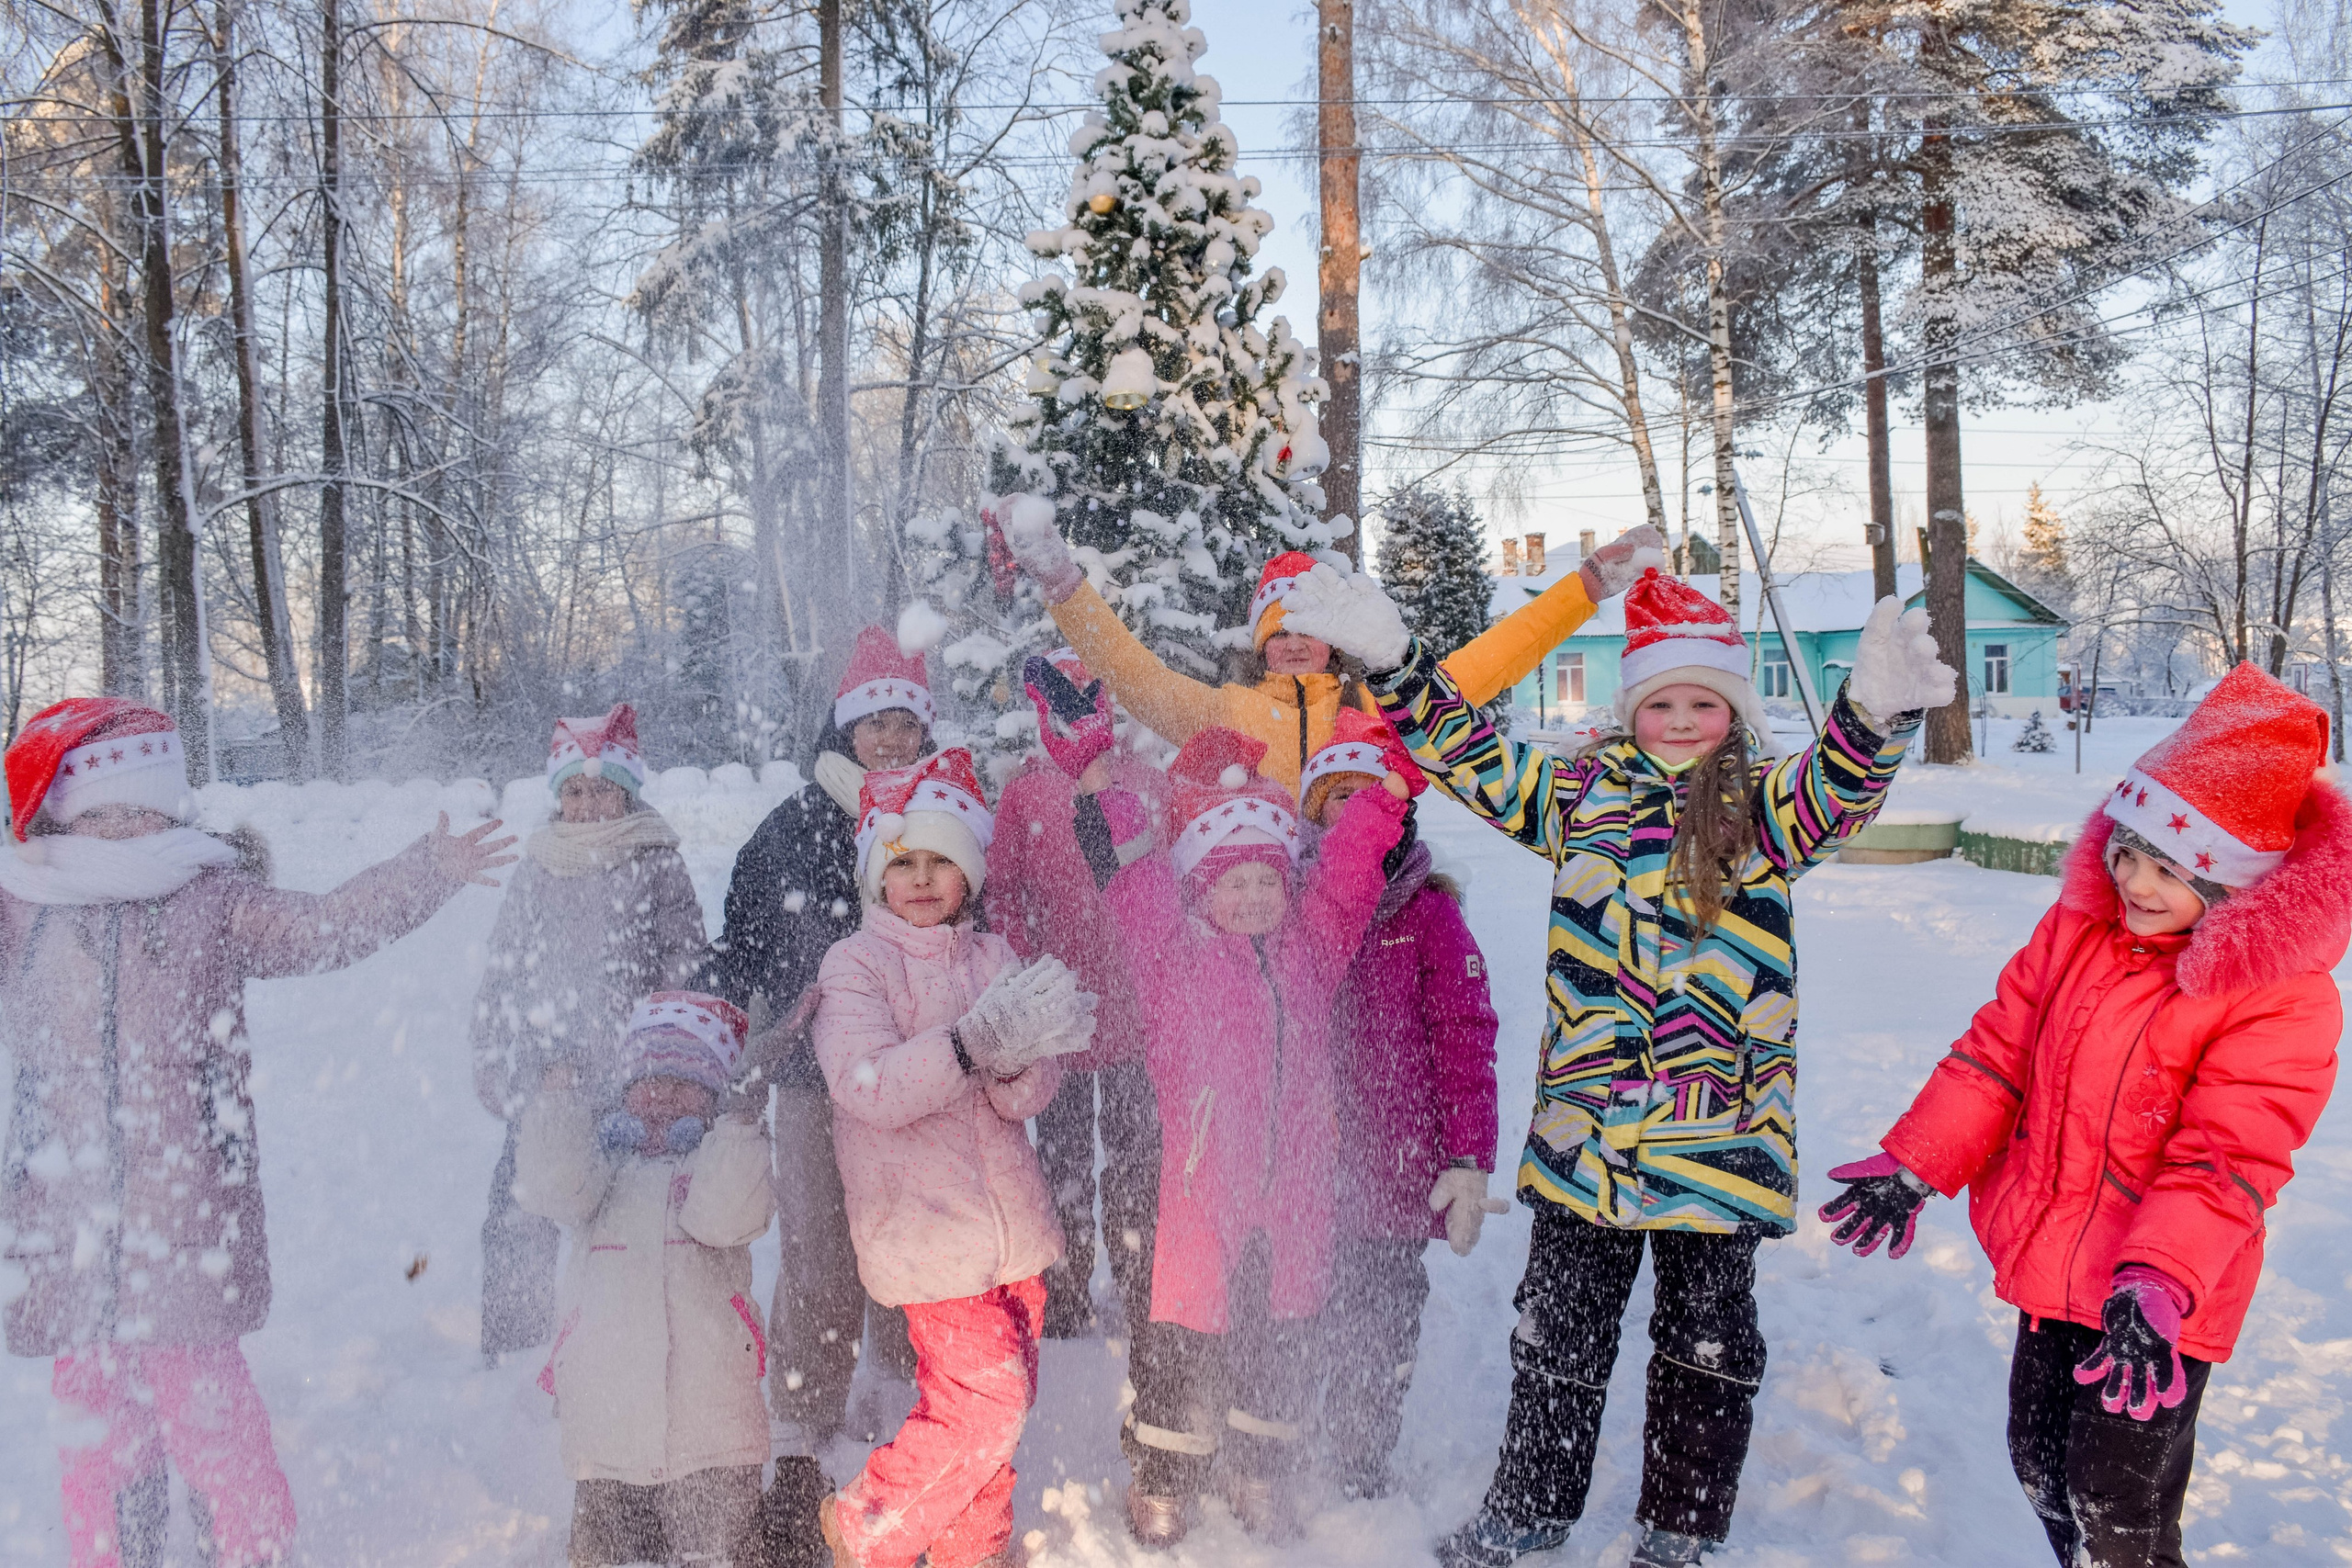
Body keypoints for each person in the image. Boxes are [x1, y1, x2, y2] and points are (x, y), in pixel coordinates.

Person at [1278, 564, 1956, 1568]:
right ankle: (1530, 1507)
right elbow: (1473, 757)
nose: (1681, 721)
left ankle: (1680, 1524)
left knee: (1706, 1349)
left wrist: (1871, 716)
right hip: (1585, 1140)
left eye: (1703, 703)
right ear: (1630, 708)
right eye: (1661, 703)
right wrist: (1397, 666)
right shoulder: (1579, 802)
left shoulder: (1767, 816)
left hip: (1717, 1144)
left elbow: (1837, 789)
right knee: (1556, 1335)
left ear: (1733, 708)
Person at [1819, 664, 2346, 1568]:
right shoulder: (2079, 932)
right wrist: (1918, 1163)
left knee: (2116, 1499)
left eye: (2169, 869)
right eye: (2126, 851)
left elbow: (2228, 1156)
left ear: (2233, 882)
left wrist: (2158, 1279)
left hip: (2157, 1298)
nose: (2133, 881)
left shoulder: (2276, 998)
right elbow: (1996, 1056)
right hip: (2054, 1262)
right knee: (2037, 1463)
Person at [0, 697, 515, 1568]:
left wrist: (427, 868)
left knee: (212, 1418)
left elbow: (322, 927)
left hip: (184, 1212)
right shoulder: (27, 904)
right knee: (95, 1427)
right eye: (116, 806)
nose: (135, 823)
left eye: (150, 804)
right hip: (71, 1216)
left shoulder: (209, 896)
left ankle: (250, 1551)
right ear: (74, 808)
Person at [1048, 716, 1408, 1546]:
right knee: (1178, 1342)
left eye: (1266, 882)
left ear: (1288, 886)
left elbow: (1350, 878)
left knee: (1280, 1338)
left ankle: (1258, 1470)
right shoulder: (1172, 956)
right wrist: (1099, 781)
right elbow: (1133, 880)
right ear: (1199, 887)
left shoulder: (1312, 948)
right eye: (1231, 881)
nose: (1251, 897)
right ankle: (1164, 1477)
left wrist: (1387, 795)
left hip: (1295, 1196)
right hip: (1200, 1196)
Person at [810, 748, 1094, 1568]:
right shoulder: (855, 965)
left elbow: (1024, 1095)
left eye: (943, 861)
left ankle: (975, 1554)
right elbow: (869, 1087)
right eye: (906, 864)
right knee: (987, 1402)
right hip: (925, 1233)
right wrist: (972, 1042)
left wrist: (1024, 1054)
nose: (924, 879)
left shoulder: (991, 957)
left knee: (994, 1422)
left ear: (968, 873)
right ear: (877, 878)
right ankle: (870, 1518)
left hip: (1011, 1231)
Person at [998, 495, 1664, 789]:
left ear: (1335, 644)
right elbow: (1135, 676)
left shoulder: (1373, 717)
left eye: (1308, 632)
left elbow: (1486, 663)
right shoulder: (1224, 711)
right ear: (1261, 644)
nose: (1292, 643)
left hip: (1359, 919)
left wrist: (1585, 587)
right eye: (1278, 631)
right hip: (1253, 914)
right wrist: (1063, 583)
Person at [702, 626, 927, 1458]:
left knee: (905, 1235)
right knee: (818, 1244)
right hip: (809, 1075)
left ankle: (907, 1389)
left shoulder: (939, 815)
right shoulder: (791, 827)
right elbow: (745, 940)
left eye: (907, 723)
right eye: (876, 723)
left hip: (908, 1073)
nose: (892, 739)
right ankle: (803, 1404)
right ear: (845, 729)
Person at [1300, 708, 1503, 1500]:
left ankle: (1357, 1455)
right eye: (1333, 802)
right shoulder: (1287, 901)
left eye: (1367, 799)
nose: (1353, 818)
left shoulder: (1428, 915)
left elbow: (1465, 1036)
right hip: (1310, 1169)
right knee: (1307, 1306)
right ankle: (1292, 1432)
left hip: (1393, 1171)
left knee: (1381, 1316)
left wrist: (1467, 1157)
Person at [472, 703, 707, 1364]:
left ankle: (611, 1342)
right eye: (573, 789)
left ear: (626, 791)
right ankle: (517, 1345)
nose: (587, 803)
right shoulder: (539, 866)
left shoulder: (656, 862)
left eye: (602, 788)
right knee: (521, 1206)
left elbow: (682, 966)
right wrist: (502, 1057)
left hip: (632, 1079)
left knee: (621, 1211)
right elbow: (504, 970)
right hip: (549, 1075)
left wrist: (659, 1061)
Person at [515, 992, 775, 1568]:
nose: (661, 1097)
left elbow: (730, 1214)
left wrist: (739, 1123)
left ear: (712, 1100)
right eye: (648, 1082)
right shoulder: (601, 1171)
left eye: (684, 1086)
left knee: (719, 1555)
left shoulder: (714, 1160)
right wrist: (559, 1095)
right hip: (606, 1430)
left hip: (711, 1435)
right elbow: (551, 1185)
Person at [983, 649, 1167, 1339]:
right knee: (1059, 1159)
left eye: (1088, 703)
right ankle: (1064, 1290)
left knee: (1134, 1154)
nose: (1077, 719)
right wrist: (1023, 972)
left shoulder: (1143, 783)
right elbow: (1004, 889)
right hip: (1056, 1011)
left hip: (1131, 1009)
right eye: (1062, 708)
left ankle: (1140, 1274)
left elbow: (1165, 885)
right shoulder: (1026, 792)